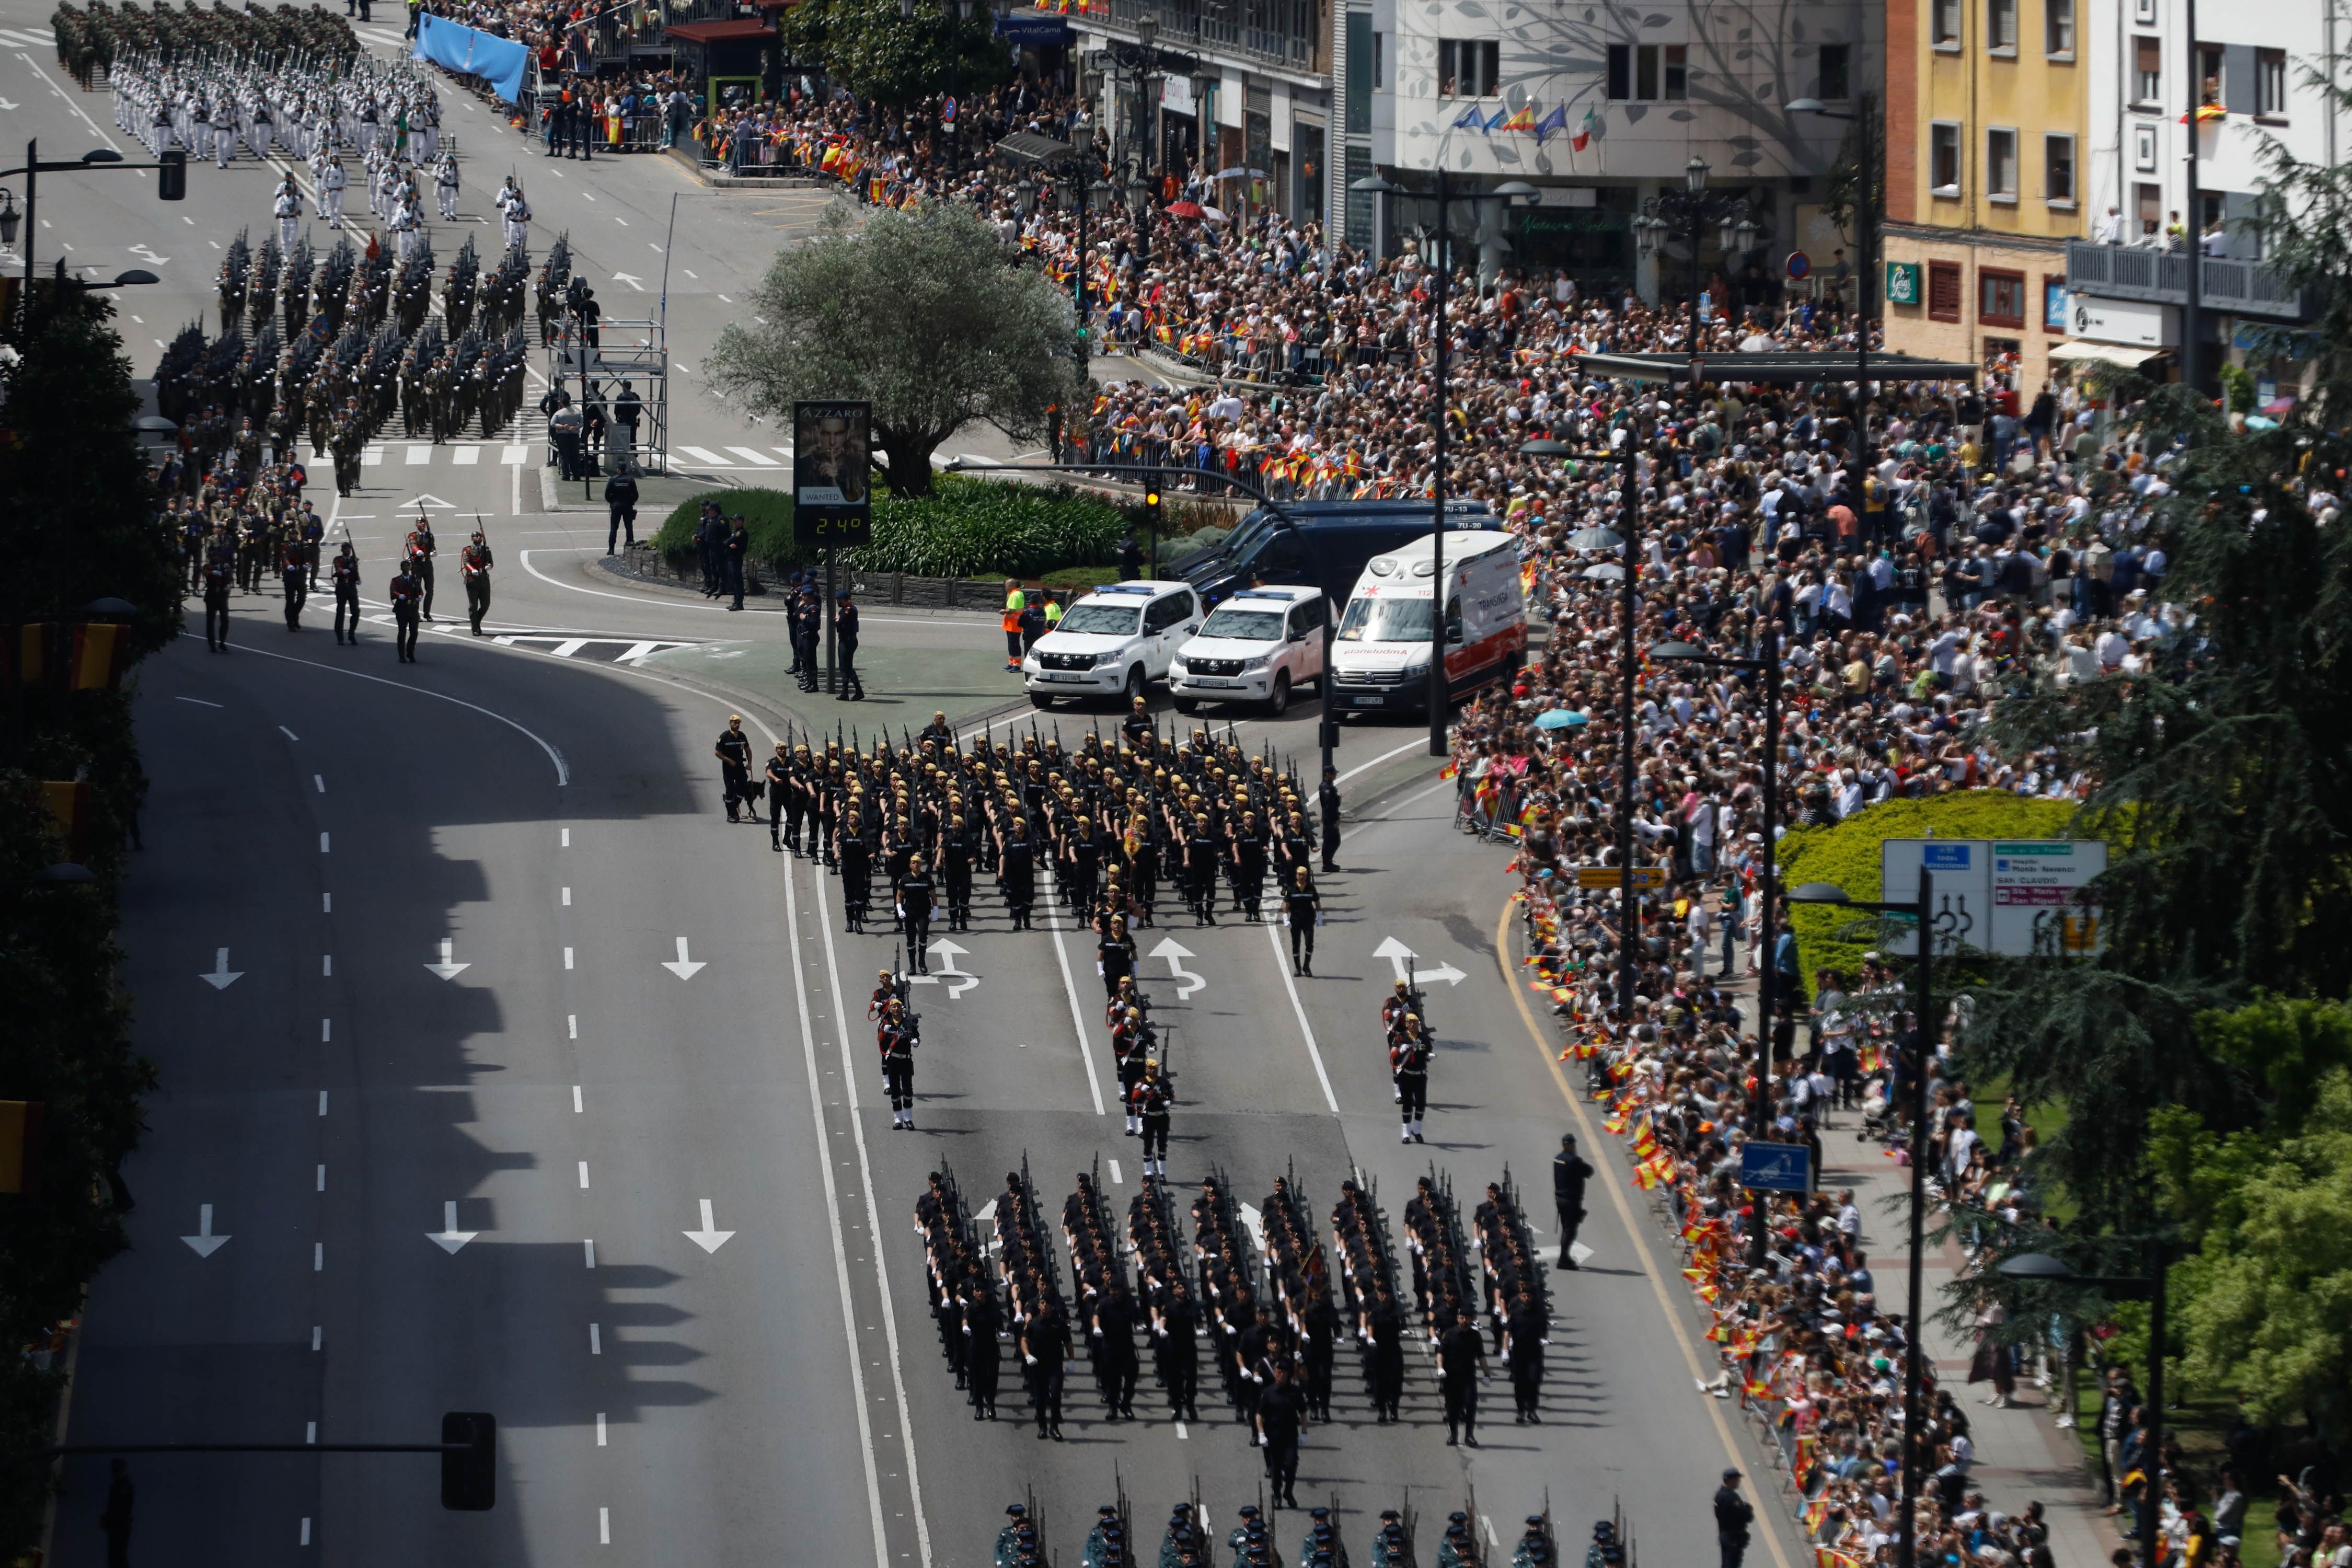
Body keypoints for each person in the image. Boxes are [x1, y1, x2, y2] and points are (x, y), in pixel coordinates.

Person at [1254, 1357, 1305, 1509]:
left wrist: (1304, 1432)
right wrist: (1261, 1433)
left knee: (1291, 1464)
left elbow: (1303, 1412)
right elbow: (1259, 1414)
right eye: (1277, 1372)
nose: (1280, 1375)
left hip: (1290, 1434)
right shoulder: (1269, 1392)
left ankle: (1288, 1492)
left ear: (1288, 1375)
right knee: (1276, 1468)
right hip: (1274, 1434)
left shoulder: (1295, 1392)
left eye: (1282, 1373)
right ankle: (1277, 1495)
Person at [1439, 1311, 1484, 1446]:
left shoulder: (1475, 1335)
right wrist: (1440, 1368)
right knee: (1453, 1407)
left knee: (1471, 1404)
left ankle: (1469, 1435)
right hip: (1452, 1376)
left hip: (1468, 1376)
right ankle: (1454, 1435)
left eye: (1467, 1318)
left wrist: (1487, 1373)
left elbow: (1481, 1355)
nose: (1464, 1320)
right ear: (1458, 1318)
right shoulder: (1450, 1334)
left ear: (1471, 1319)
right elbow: (1441, 1353)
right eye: (1461, 1318)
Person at [877, 996, 918, 1129]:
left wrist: (916, 1042)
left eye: (899, 1006)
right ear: (890, 1009)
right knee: (895, 1090)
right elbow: (880, 1041)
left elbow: (916, 1036)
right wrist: (884, 1032)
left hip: (906, 1059)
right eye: (894, 1007)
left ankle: (908, 1118)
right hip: (893, 1060)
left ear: (902, 1008)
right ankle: (898, 1119)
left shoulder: (908, 1022)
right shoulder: (887, 1022)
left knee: (908, 1089)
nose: (896, 1009)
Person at [1553, 1133, 1593, 1268]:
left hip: (1560, 1198)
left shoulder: (1558, 1159)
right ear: (1568, 1145)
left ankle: (1564, 1257)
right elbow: (1589, 1172)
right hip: (1571, 1200)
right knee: (1570, 1230)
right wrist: (1582, 1162)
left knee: (1566, 1228)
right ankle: (1564, 1258)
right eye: (1573, 1144)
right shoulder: (1574, 1161)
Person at [1130, 1057, 1171, 1178]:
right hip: (1149, 1117)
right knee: (1148, 1143)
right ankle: (1149, 1171)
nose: (1153, 1071)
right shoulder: (1141, 1082)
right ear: (1146, 1069)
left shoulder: (1163, 1082)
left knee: (1163, 1143)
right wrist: (1141, 1092)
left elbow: (1171, 1095)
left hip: (1162, 1117)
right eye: (1150, 1068)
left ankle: (1162, 1172)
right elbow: (1135, 1098)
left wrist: (1169, 1101)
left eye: (1155, 1069)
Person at [1282, 866, 1322, 975]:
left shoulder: (1311, 888)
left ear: (1306, 876)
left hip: (1308, 919)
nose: (1301, 877)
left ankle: (1306, 967)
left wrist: (1320, 917)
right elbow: (1286, 903)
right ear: (1296, 875)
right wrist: (1285, 918)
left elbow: (1317, 902)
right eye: (1299, 874)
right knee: (1296, 944)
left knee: (1309, 943)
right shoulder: (1291, 888)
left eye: (1303, 875)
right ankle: (1298, 968)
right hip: (1296, 919)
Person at [714, 714, 752, 822]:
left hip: (740, 766)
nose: (737, 725)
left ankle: (735, 805)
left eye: (738, 723)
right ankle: (731, 815)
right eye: (735, 722)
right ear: (730, 723)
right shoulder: (724, 737)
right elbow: (717, 752)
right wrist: (728, 760)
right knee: (730, 790)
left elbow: (748, 750)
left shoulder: (742, 736)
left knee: (744, 787)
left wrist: (750, 763)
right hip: (728, 767)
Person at [1714, 1469, 1754, 1568]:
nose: (1739, 1482)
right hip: (1733, 1538)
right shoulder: (1731, 1498)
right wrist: (1748, 1508)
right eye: (1737, 1480)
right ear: (1732, 1481)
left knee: (1726, 1564)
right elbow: (1747, 1516)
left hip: (1725, 1534)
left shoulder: (1720, 1494)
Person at [460, 527, 494, 636]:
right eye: (476, 536)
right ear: (472, 539)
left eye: (480, 536)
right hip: (472, 581)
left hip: (484, 581)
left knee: (486, 605)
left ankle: (476, 621)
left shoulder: (486, 549)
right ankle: (475, 627)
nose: (478, 537)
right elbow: (466, 563)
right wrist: (472, 570)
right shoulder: (468, 550)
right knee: (473, 606)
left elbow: (490, 562)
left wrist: (489, 566)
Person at [101, 1458, 133, 1568]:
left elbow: (118, 1508)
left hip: (119, 1526)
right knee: (118, 1556)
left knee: (117, 1556)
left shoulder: (122, 1487)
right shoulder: (121, 1487)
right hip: (119, 1526)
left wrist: (108, 1519)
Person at [389, 558, 422, 662]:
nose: (406, 568)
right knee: (402, 632)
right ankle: (401, 656)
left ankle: (410, 652)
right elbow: (393, 591)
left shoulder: (415, 579)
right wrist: (399, 596)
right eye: (404, 566)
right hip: (402, 609)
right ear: (401, 568)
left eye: (408, 566)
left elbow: (420, 591)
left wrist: (420, 596)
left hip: (413, 608)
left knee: (414, 632)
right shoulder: (396, 580)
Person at [835, 590, 865, 699]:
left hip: (847, 642)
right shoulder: (850, 609)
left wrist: (836, 620)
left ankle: (857, 691)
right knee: (845, 667)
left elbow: (839, 623)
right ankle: (846, 692)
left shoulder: (847, 611)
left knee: (846, 668)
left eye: (838, 600)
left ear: (843, 600)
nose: (837, 602)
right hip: (848, 640)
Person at [331, 541, 362, 645]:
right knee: (341, 612)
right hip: (342, 587)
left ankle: (352, 633)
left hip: (352, 588)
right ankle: (340, 636)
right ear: (342, 550)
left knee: (356, 611)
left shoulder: (354, 559)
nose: (348, 550)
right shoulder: (338, 559)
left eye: (349, 548)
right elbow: (338, 567)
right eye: (345, 549)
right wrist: (342, 571)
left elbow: (356, 571)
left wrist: (358, 579)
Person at [604, 464, 639, 555]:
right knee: (629, 527)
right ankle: (630, 548)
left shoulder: (613, 479)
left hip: (616, 506)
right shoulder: (630, 480)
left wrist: (612, 502)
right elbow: (636, 495)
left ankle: (611, 549)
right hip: (627, 506)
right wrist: (631, 502)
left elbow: (607, 495)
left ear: (618, 469)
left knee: (614, 528)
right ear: (625, 469)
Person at [201, 553, 233, 652]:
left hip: (222, 597)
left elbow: (228, 579)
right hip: (211, 597)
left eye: (217, 555)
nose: (216, 558)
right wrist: (215, 573)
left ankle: (222, 642)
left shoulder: (226, 567)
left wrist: (226, 584)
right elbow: (207, 574)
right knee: (210, 622)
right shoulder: (207, 567)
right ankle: (212, 645)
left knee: (225, 620)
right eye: (214, 556)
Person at [765, 744, 792, 852]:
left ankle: (787, 839)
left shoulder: (791, 761)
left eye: (784, 749)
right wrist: (775, 779)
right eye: (781, 749)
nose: (783, 751)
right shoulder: (772, 762)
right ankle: (775, 842)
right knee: (775, 817)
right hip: (776, 791)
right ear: (777, 750)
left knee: (792, 815)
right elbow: (768, 772)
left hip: (788, 792)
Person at [279, 536, 308, 630]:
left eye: (296, 535)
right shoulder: (286, 546)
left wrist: (308, 563)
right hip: (290, 575)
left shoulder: (302, 545)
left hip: (300, 575)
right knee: (290, 600)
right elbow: (285, 557)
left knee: (302, 598)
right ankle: (290, 623)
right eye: (292, 535)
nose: (294, 537)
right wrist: (289, 565)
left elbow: (308, 555)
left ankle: (295, 615)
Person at [1318, 765, 1342, 871]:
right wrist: (1335, 819)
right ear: (1328, 774)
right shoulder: (1327, 788)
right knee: (1332, 841)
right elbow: (1329, 806)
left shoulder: (1329, 786)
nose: (1335, 775)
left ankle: (1328, 862)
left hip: (1330, 817)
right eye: (1333, 774)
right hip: (1330, 818)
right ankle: (1327, 863)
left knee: (1333, 840)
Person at [724, 514, 748, 611]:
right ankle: (736, 602)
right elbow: (728, 542)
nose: (734, 522)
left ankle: (739, 603)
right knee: (734, 581)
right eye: (733, 521)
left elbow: (728, 542)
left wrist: (729, 544)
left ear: (741, 521)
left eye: (736, 520)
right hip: (731, 558)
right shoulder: (735, 532)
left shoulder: (741, 533)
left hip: (736, 559)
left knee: (737, 581)